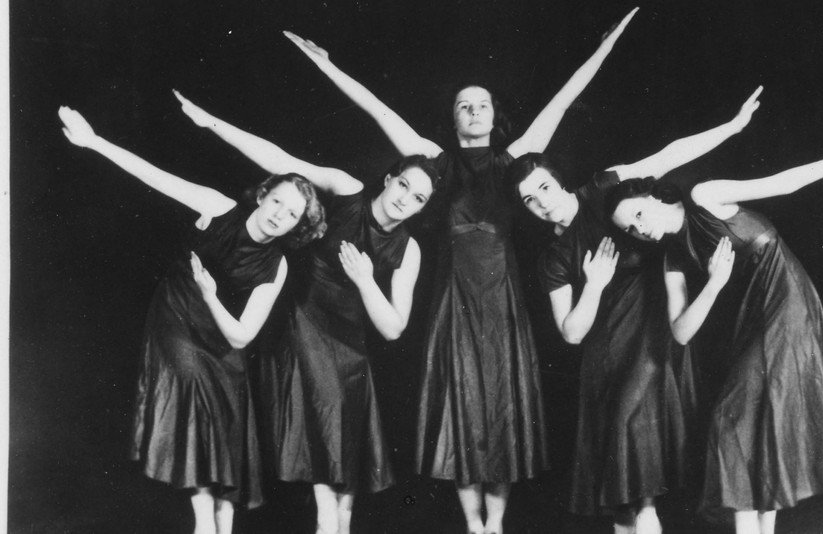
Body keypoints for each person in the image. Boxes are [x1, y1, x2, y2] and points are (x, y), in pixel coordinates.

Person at [283, 9, 638, 533]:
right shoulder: (434, 163)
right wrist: (326, 65)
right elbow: (378, 111)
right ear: (453, 120)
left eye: (482, 104)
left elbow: (563, 100)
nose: (473, 111)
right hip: (453, 303)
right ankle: (475, 527)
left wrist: (606, 46)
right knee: (461, 411)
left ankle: (497, 525)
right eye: (463, 106)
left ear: (494, 116)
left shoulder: (515, 161)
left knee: (504, 412)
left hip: (505, 304)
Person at [604, 122, 823, 534]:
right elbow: (681, 332)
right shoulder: (672, 258)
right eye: (630, 229)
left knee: (733, 421)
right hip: (751, 314)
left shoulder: (704, 197)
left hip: (786, 296)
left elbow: (783, 183)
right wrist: (714, 284)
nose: (639, 230)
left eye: (638, 215)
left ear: (654, 195)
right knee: (757, 419)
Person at [174, 92, 438, 534]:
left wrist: (366, 281)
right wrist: (211, 123)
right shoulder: (347, 190)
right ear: (390, 179)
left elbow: (393, 328)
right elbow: (281, 161)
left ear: (423, 208)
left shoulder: (408, 249)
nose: (405, 199)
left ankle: (338, 523)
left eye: (419, 199)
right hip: (300, 322)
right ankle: (326, 520)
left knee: (347, 432)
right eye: (404, 186)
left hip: (350, 344)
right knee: (324, 413)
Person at [58, 105, 326, 534]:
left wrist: (212, 295)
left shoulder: (277, 266)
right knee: (193, 383)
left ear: (296, 225)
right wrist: (93, 142)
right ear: (262, 195)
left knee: (230, 409)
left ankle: (222, 522)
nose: (279, 214)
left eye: (292, 214)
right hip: (177, 313)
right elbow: (153, 176)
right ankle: (204, 522)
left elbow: (242, 336)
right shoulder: (217, 207)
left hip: (219, 330)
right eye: (277, 201)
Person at [506, 87, 762, 534]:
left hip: (656, 340)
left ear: (559, 182)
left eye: (543, 187)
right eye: (529, 199)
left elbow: (667, 156)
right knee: (625, 495)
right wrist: (594, 285)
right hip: (607, 359)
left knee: (638, 480)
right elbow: (571, 332)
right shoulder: (553, 259)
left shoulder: (603, 190)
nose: (541, 201)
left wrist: (732, 127)